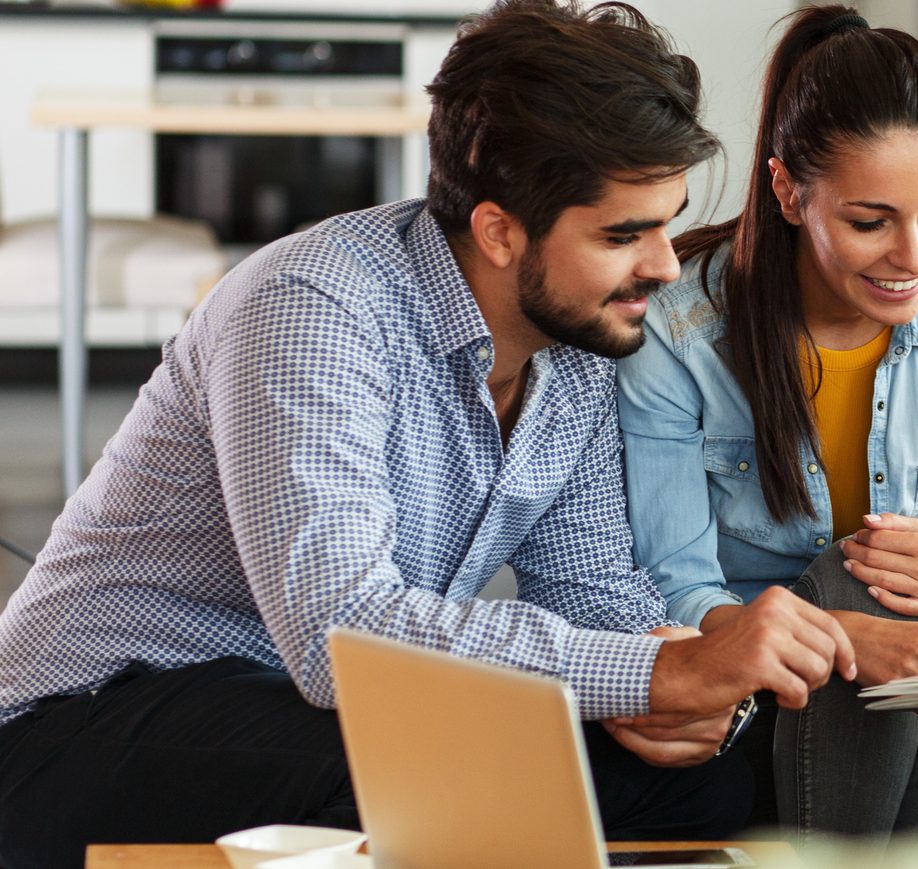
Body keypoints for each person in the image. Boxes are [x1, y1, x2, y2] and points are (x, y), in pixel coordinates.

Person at [0, 2, 857, 864]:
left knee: (705, 778)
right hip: (86, 717)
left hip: (314, 710)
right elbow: (341, 636)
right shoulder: (313, 309)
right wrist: (650, 675)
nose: (665, 265)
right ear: (498, 230)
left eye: (665, 223)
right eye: (622, 234)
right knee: (445, 771)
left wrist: (672, 668)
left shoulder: (582, 345)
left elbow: (591, 587)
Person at [616, 5, 918, 842]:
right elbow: (676, 589)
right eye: (870, 222)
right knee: (857, 579)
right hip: (742, 697)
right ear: (788, 191)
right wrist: (848, 633)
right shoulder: (680, 328)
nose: (914, 256)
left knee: (910, 602)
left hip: (889, 708)